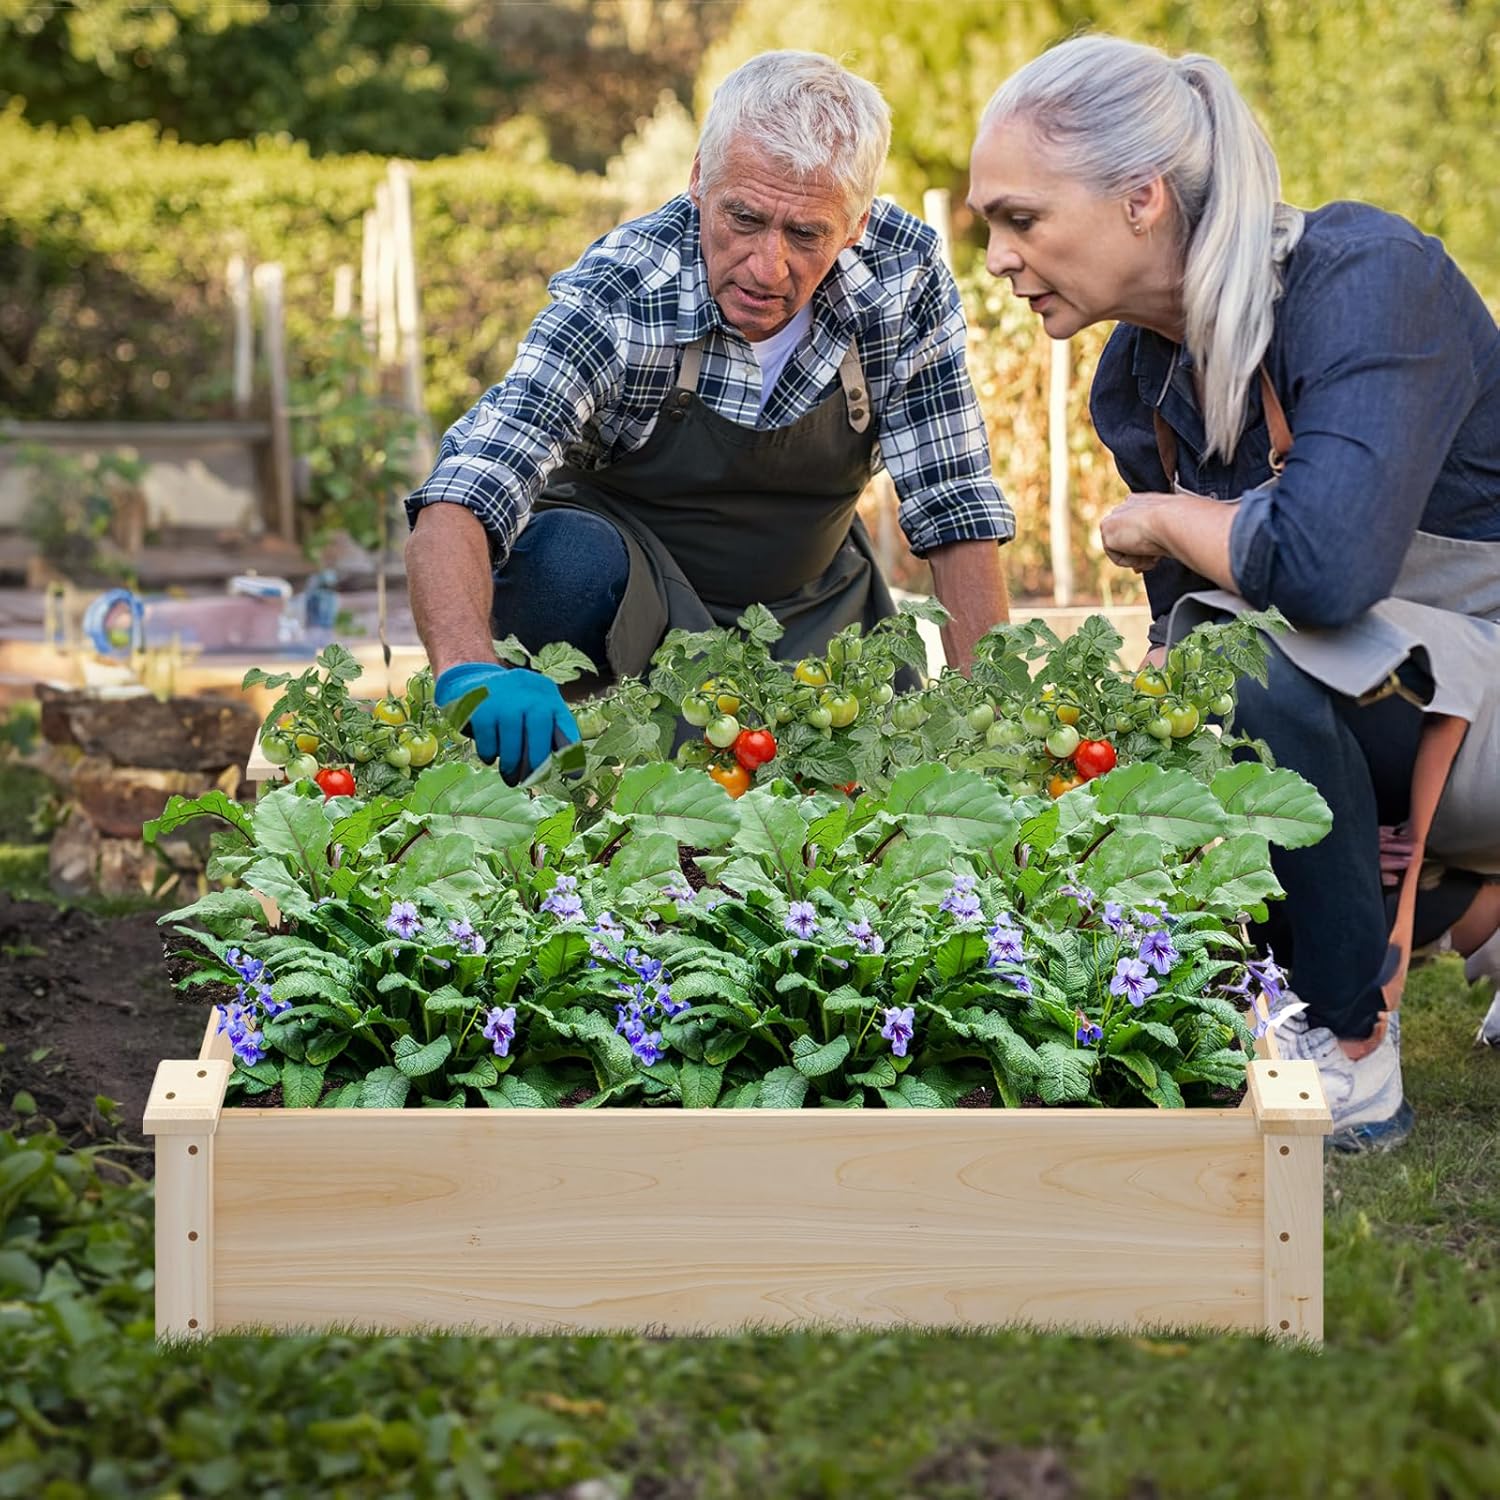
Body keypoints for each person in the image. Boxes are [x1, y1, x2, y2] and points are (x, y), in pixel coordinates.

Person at [970, 34, 1500, 1151]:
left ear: (1141, 199)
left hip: (1483, 699)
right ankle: (1361, 957)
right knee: (1189, 682)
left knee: (1233, 647)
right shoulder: (1137, 381)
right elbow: (1202, 683)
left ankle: (1349, 1048)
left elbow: (1325, 564)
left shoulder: (1367, 280)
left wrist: (1165, 516)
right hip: (1410, 707)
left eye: (1021, 219)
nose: (1001, 260)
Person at [406, 50, 1015, 783]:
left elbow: (955, 507)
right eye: (745, 218)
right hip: (634, 604)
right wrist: (470, 668)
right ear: (700, 180)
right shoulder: (627, 290)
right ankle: (580, 747)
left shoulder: (901, 280)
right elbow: (469, 483)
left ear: (854, 224)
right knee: (558, 569)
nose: (766, 266)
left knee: (846, 789)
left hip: (811, 603)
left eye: (805, 235)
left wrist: (997, 725)